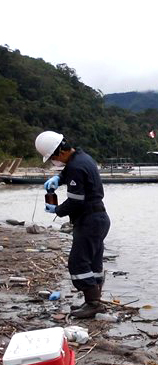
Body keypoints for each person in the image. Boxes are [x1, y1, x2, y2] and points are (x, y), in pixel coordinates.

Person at [35, 131, 111, 318]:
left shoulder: (76, 166)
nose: (54, 161)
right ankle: (93, 301)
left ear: (60, 152)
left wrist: (57, 210)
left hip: (89, 221)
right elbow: (69, 173)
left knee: (78, 263)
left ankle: (93, 304)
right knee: (93, 262)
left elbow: (76, 201)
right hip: (98, 218)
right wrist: (58, 180)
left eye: (53, 158)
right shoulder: (82, 158)